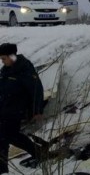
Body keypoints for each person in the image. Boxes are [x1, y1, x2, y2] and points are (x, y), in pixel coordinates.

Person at [0, 43, 44, 172]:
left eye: (3, 58)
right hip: (5, 108)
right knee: (13, 136)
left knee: (2, 138)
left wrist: (37, 111)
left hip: (16, 110)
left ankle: (2, 170)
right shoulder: (6, 70)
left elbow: (37, 90)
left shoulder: (24, 69)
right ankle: (38, 152)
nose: (2, 61)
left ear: (12, 56)